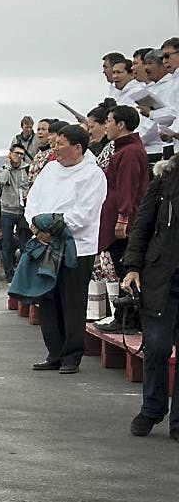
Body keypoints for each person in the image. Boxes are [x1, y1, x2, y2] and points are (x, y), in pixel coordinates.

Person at [24, 125, 107, 374]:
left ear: (78, 147)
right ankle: (54, 352)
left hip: (77, 247)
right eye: (55, 143)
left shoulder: (93, 175)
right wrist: (36, 226)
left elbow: (86, 213)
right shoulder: (50, 169)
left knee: (72, 301)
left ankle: (72, 355)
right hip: (45, 244)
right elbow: (32, 201)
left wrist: (54, 226)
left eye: (60, 144)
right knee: (48, 299)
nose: (55, 148)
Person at [122, 156, 179, 439]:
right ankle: (152, 409)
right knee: (156, 347)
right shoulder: (164, 180)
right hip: (160, 278)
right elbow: (142, 226)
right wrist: (132, 267)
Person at [93, 105, 149, 334]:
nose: (106, 125)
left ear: (121, 124)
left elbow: (128, 188)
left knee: (126, 268)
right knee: (120, 268)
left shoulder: (130, 152)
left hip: (124, 222)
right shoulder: (123, 150)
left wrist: (123, 218)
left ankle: (128, 319)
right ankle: (125, 317)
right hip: (117, 217)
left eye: (109, 120)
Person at [0, 144, 31, 281]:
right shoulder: (2, 169)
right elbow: (1, 180)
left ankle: (23, 272)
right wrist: (8, 166)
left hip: (22, 211)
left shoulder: (27, 169)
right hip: (7, 211)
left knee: (24, 244)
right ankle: (9, 274)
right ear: (10, 154)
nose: (19, 156)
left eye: (21, 154)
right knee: (7, 244)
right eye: (16, 153)